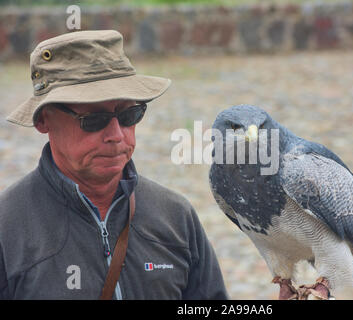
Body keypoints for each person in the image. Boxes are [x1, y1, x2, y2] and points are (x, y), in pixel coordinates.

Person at [0, 30, 228, 300]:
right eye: (93, 120)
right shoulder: (7, 229)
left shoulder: (176, 216)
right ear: (44, 120)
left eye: (129, 115)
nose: (117, 135)